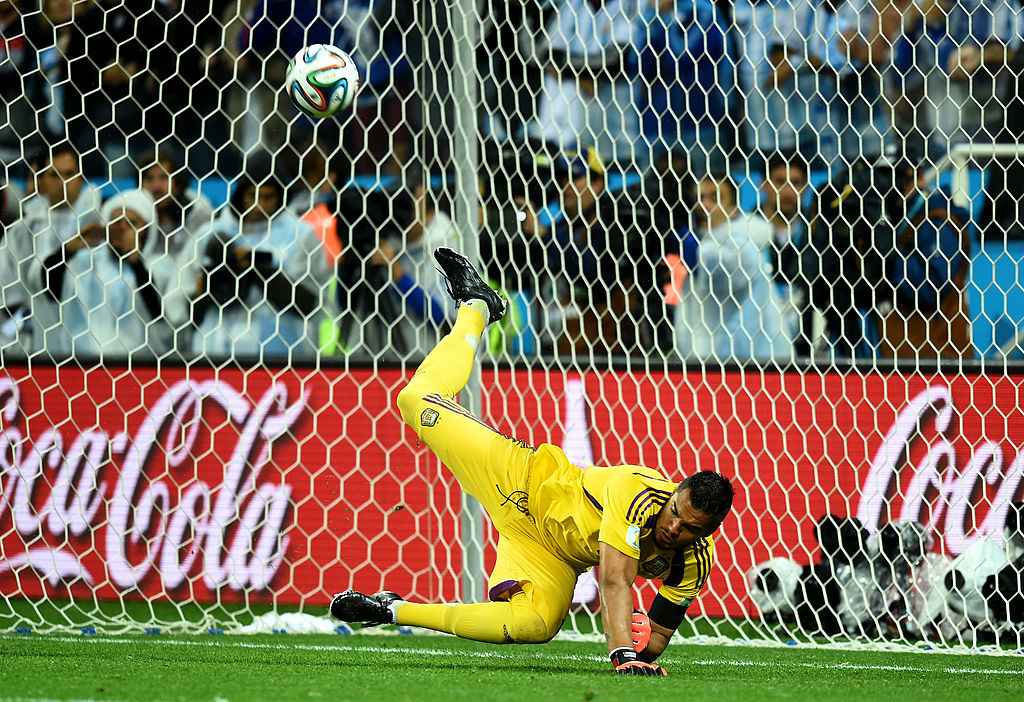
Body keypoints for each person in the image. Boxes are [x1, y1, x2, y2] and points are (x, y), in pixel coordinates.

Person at [331, 247, 736, 675]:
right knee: (413, 399)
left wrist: (642, 653)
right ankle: (477, 309)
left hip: (553, 557)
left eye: (691, 527)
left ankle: (392, 611)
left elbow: (656, 636)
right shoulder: (639, 493)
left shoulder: (693, 564)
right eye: (676, 512)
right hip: (521, 480)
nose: (674, 527)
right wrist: (623, 654)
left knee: (535, 624)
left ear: (710, 531)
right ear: (673, 494)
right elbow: (615, 579)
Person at [32, 189, 173, 358]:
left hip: (139, 368)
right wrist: (67, 251)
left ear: (146, 229)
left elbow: (163, 320)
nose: (122, 229)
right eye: (116, 222)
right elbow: (45, 289)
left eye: (131, 223)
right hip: (80, 365)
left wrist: (136, 264)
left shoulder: (160, 266)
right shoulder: (85, 263)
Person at [673, 173, 791, 363]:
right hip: (716, 359)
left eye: (715, 198)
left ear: (734, 208)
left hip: (750, 361)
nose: (704, 206)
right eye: (699, 198)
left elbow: (720, 276)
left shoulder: (743, 241)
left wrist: (693, 250)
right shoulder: (705, 238)